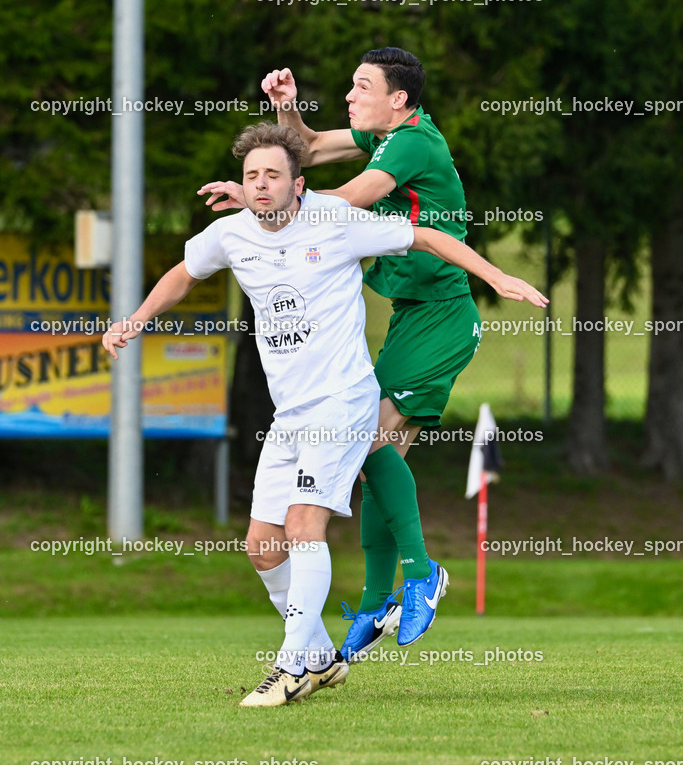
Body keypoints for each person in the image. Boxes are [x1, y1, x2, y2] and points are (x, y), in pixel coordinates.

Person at [105, 122, 545, 707]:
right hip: (290, 414)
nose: (261, 186)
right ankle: (317, 656)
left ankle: (290, 667)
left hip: (342, 399)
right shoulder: (230, 234)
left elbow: (426, 238)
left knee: (303, 529)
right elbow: (184, 275)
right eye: (252, 176)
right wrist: (135, 320)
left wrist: (495, 275)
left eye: (273, 176)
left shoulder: (335, 224)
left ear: (299, 185)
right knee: (263, 546)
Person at [199, 49, 539, 662]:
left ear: (400, 100)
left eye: (362, 87)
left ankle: (419, 575)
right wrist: (286, 111)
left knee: (370, 441)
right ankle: (381, 598)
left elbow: (343, 200)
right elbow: (308, 147)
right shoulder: (381, 137)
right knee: (368, 459)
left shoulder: (410, 144)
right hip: (413, 315)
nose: (351, 97)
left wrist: (259, 200)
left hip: (441, 316)